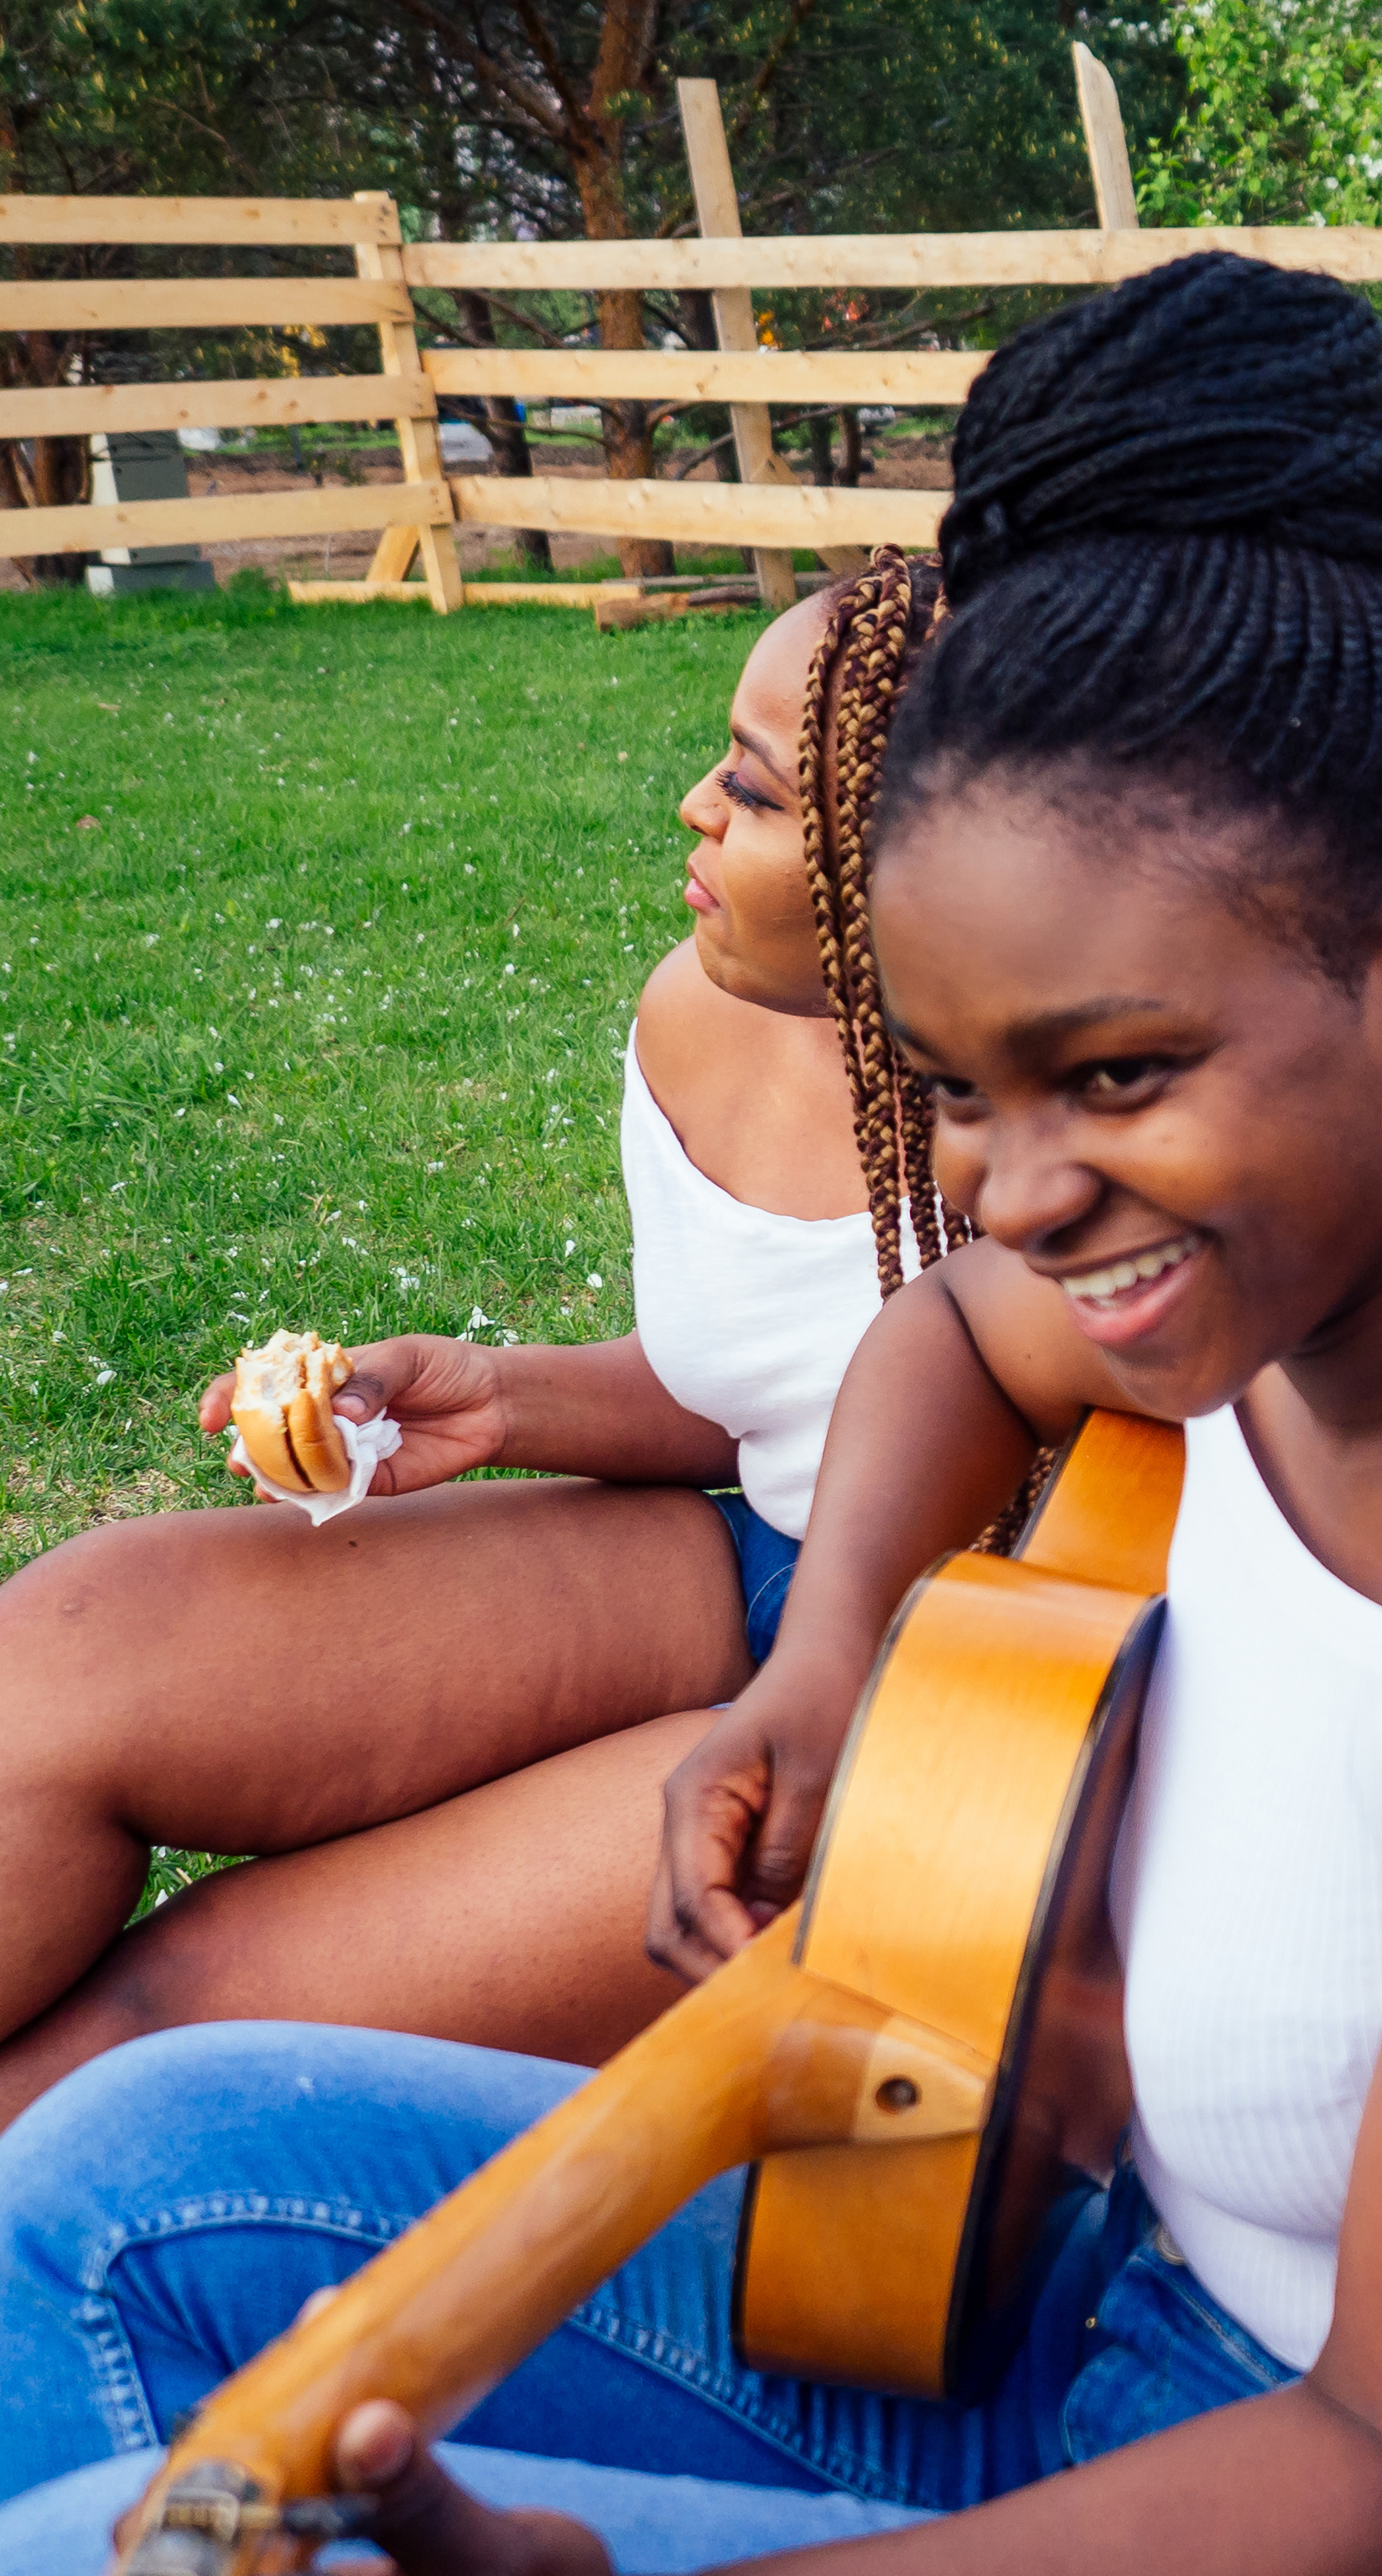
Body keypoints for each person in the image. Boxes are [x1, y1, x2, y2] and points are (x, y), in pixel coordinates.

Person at [0, 253, 1382, 2576]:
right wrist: (823, 1677)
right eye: (958, 1098)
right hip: (1130, 2331)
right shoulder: (1273, 1293)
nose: (1021, 1199)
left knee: (109, 2532)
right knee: (126, 2175)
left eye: (1114, 1076)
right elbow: (948, 1335)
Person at [0, 553, 955, 2125]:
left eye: (761, 789)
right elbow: (777, 1391)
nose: (694, 812)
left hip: (976, 1704)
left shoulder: (1152, 1144)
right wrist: (490, 1399)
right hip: (772, 1564)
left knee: (163, 2038)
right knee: (71, 1660)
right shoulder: (703, 1016)